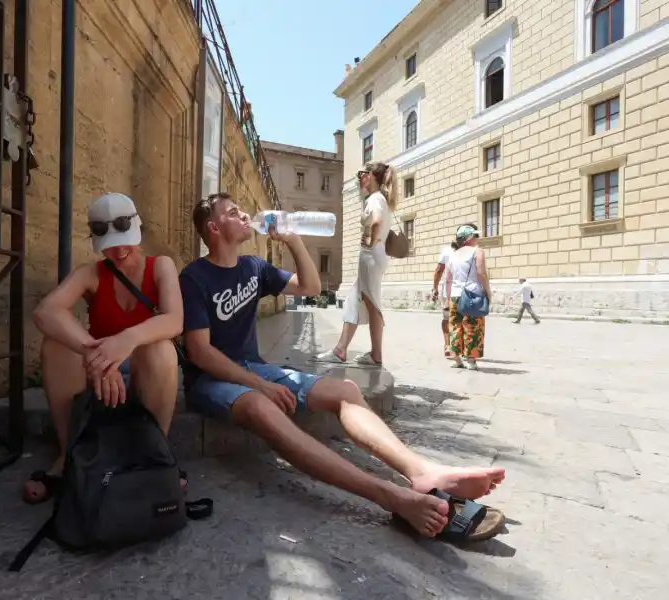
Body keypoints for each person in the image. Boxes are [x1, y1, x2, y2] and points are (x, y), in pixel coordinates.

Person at [179, 193, 506, 538]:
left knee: (345, 389)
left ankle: (422, 470)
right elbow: (200, 353)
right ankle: (391, 496)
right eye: (233, 213)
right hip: (210, 380)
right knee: (261, 406)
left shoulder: (253, 268)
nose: (245, 215)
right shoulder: (194, 278)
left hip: (251, 367)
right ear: (213, 228)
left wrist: (292, 238)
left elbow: (310, 286)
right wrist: (258, 385)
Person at [22, 192, 184, 504]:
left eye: (125, 239)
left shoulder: (161, 266)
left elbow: (175, 320)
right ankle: (69, 452)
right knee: (57, 344)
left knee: (160, 347)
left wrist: (126, 340)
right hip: (99, 375)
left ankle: (155, 452)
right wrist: (95, 355)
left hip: (145, 372)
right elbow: (46, 311)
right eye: (109, 243)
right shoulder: (91, 273)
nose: (119, 250)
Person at [313, 162, 396, 366]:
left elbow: (376, 222)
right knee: (353, 300)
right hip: (373, 256)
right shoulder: (379, 199)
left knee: (372, 304)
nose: (360, 177)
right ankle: (341, 350)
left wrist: (370, 240)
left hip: (370, 256)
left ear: (371, 176)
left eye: (362, 173)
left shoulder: (375, 199)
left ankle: (375, 354)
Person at [445, 224, 492, 371]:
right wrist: (488, 291)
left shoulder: (452, 255)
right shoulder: (477, 252)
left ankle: (456, 359)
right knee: (472, 327)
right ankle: (471, 361)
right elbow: (481, 274)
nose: (477, 238)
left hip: (455, 296)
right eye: (475, 236)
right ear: (469, 238)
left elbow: (448, 279)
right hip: (472, 294)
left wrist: (447, 297)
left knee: (454, 326)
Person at [432, 242, 458, 358]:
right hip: (465, 291)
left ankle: (448, 345)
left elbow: (439, 270)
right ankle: (459, 347)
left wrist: (435, 288)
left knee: (447, 317)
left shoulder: (447, 251)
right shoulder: (472, 251)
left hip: (448, 290)